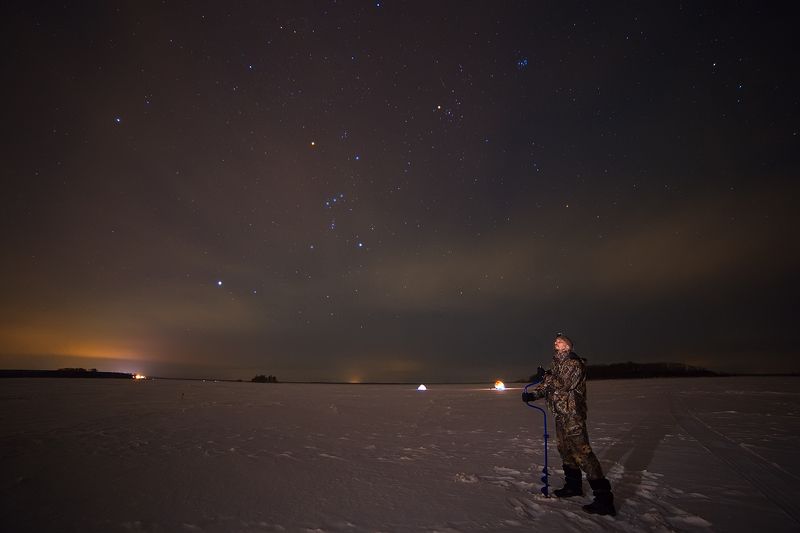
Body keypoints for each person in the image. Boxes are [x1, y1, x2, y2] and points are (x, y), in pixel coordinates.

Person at [522, 334, 616, 516]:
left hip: (572, 415)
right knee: (565, 450)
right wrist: (534, 395)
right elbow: (549, 386)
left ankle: (604, 499)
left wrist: (548, 376)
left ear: (568, 346)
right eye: (555, 341)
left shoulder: (574, 363)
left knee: (583, 452)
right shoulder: (556, 364)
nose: (556, 342)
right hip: (560, 414)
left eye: (561, 341)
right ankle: (573, 486)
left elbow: (563, 384)